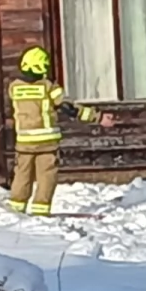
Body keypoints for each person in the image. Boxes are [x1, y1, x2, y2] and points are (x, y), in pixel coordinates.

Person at [9, 46, 115, 216]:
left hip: (24, 142)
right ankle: (40, 210)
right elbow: (69, 108)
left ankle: (16, 208)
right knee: (46, 177)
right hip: (47, 143)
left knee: (22, 175)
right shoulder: (49, 87)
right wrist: (98, 117)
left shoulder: (14, 88)